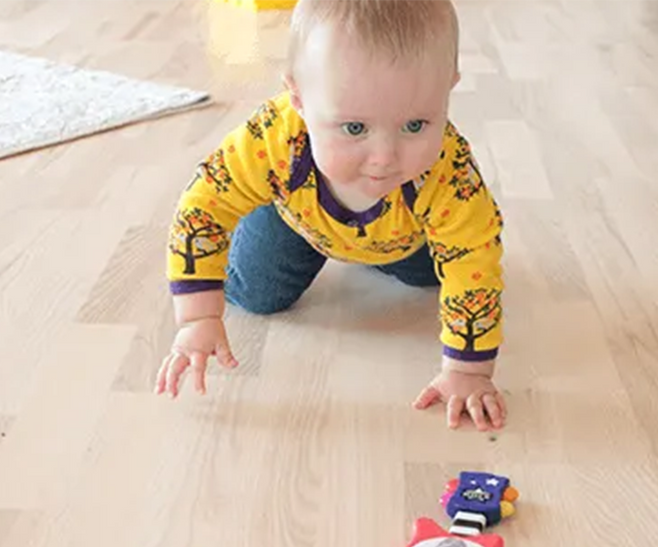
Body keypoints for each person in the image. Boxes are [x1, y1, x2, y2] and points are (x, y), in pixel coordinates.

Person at [155, 0, 507, 431]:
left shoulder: (449, 173)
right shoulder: (274, 137)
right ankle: (265, 219)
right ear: (298, 98)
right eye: (355, 128)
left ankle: (384, 255)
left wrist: (468, 372)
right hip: (295, 222)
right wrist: (198, 317)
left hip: (405, 233)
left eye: (415, 125)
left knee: (434, 277)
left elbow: (473, 256)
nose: (384, 158)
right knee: (257, 295)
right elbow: (205, 203)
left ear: (448, 90)